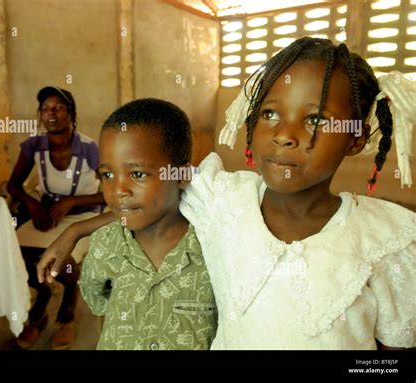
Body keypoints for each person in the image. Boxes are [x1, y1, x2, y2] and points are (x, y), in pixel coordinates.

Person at [38, 38, 416, 350]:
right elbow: (151, 195)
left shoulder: (384, 240)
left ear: (356, 138)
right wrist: (76, 230)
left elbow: (392, 346)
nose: (285, 134)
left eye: (315, 119)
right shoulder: (225, 199)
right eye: (269, 113)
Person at [78, 98, 216, 349]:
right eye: (107, 175)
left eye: (137, 174)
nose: (118, 190)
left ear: (181, 176)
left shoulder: (213, 247)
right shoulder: (105, 244)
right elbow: (97, 300)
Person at [7, 86, 105, 350]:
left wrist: (72, 201)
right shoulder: (33, 146)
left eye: (59, 107)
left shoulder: (89, 149)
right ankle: (44, 295)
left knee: (64, 261)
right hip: (47, 216)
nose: (51, 113)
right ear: (40, 115)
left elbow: (111, 193)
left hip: (81, 219)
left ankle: (68, 307)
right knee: (12, 255)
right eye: (46, 108)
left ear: (72, 114)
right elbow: (13, 185)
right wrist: (32, 203)